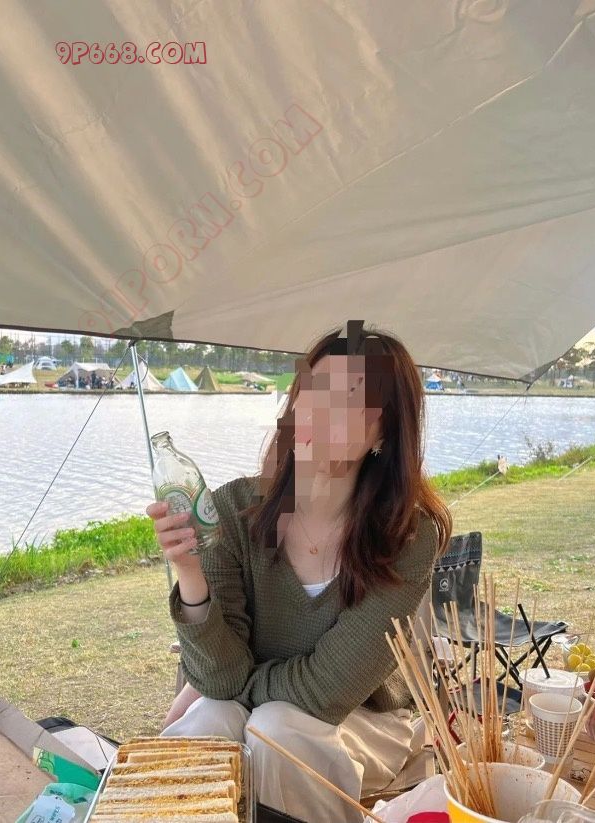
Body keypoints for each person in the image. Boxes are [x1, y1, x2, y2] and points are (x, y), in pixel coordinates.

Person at [146, 322, 452, 822]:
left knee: (274, 729)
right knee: (212, 718)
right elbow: (219, 680)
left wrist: (234, 688)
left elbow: (327, 690)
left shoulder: (407, 537)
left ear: (385, 432)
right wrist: (190, 573)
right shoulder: (234, 509)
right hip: (255, 706)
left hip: (362, 717)